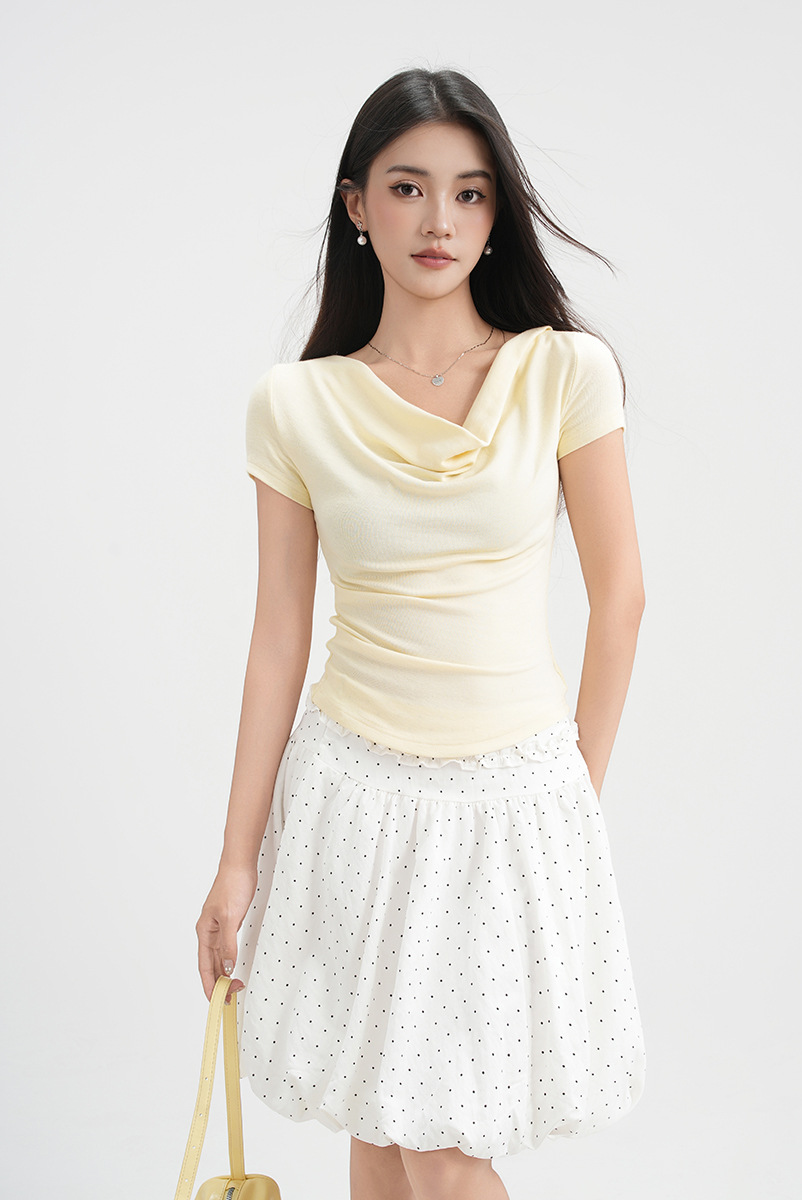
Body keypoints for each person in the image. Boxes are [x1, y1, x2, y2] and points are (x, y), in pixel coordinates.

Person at [196, 66, 647, 1200]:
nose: (439, 220)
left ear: (497, 214)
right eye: (407, 188)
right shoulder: (295, 403)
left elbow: (623, 596)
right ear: (357, 205)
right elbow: (277, 639)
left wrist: (573, 794)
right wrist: (237, 860)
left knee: (442, 1153)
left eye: (470, 193)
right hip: (352, 796)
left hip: (510, 800)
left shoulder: (562, 372)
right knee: (383, 1136)